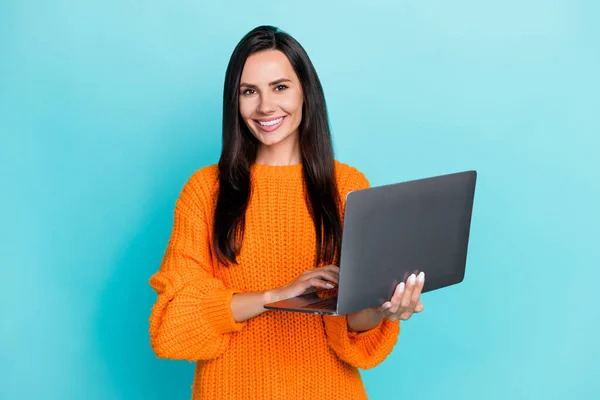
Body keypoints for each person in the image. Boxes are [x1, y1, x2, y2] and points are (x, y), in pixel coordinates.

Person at [148, 25, 425, 400]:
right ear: (235, 100)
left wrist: (383, 309)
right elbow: (173, 324)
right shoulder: (206, 190)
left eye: (280, 87)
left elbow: (355, 325)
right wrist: (275, 295)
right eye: (249, 91)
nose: (265, 106)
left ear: (305, 92)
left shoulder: (347, 186)